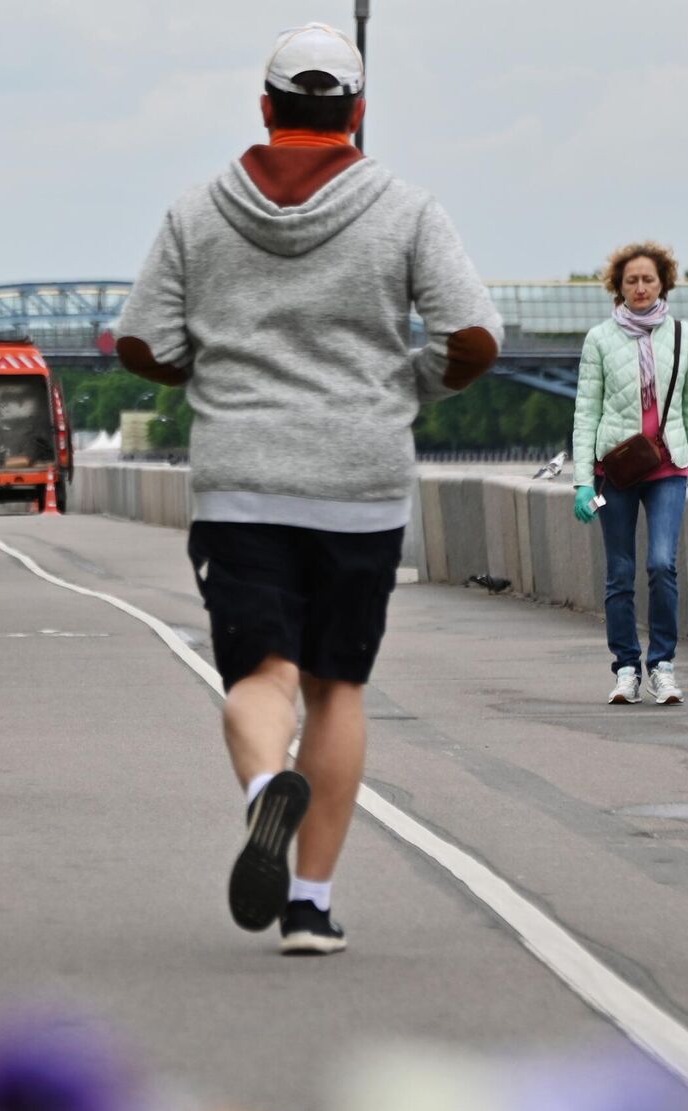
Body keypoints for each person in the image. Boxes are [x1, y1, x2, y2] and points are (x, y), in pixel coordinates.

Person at [116, 22, 503, 956]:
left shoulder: (197, 212)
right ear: (356, 112)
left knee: (262, 674)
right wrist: (402, 386)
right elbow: (475, 339)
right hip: (361, 482)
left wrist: (215, 376)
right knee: (337, 687)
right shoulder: (408, 210)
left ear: (266, 108)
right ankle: (311, 905)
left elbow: (141, 344)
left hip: (242, 478)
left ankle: (263, 792)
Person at [570, 242, 688, 706]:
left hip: (669, 465)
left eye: (647, 280)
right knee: (619, 571)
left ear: (663, 283)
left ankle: (663, 665)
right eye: (630, 280)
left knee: (660, 563)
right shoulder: (599, 339)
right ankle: (627, 667)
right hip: (616, 469)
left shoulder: (682, 336)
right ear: (618, 286)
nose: (639, 288)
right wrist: (579, 481)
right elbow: (585, 412)